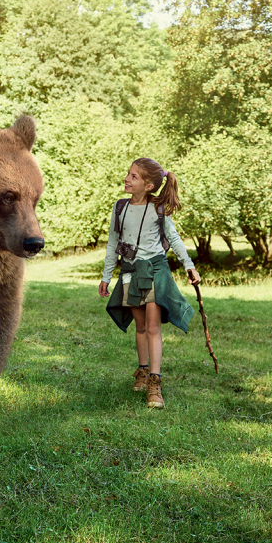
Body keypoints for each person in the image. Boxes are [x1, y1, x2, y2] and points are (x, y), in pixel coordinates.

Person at [99, 158, 201, 408]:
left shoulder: (158, 208)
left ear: (148, 185)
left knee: (154, 327)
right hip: (130, 272)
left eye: (134, 176)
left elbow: (174, 238)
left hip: (154, 270)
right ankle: (142, 371)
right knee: (141, 326)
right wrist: (106, 275)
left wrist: (189, 264)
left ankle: (155, 382)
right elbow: (113, 243)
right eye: (128, 173)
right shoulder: (119, 207)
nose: (127, 179)